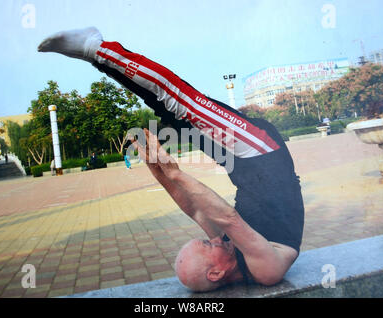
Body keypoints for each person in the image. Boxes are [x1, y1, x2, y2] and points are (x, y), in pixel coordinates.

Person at [38, 27, 304, 291]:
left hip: (241, 165)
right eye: (207, 245)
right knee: (179, 99)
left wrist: (158, 170)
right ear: (216, 273)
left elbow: (194, 208)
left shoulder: (224, 248)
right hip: (263, 154)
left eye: (207, 241)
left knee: (167, 109)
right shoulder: (265, 270)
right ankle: (96, 48)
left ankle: (97, 59)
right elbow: (229, 217)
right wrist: (175, 172)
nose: (213, 240)